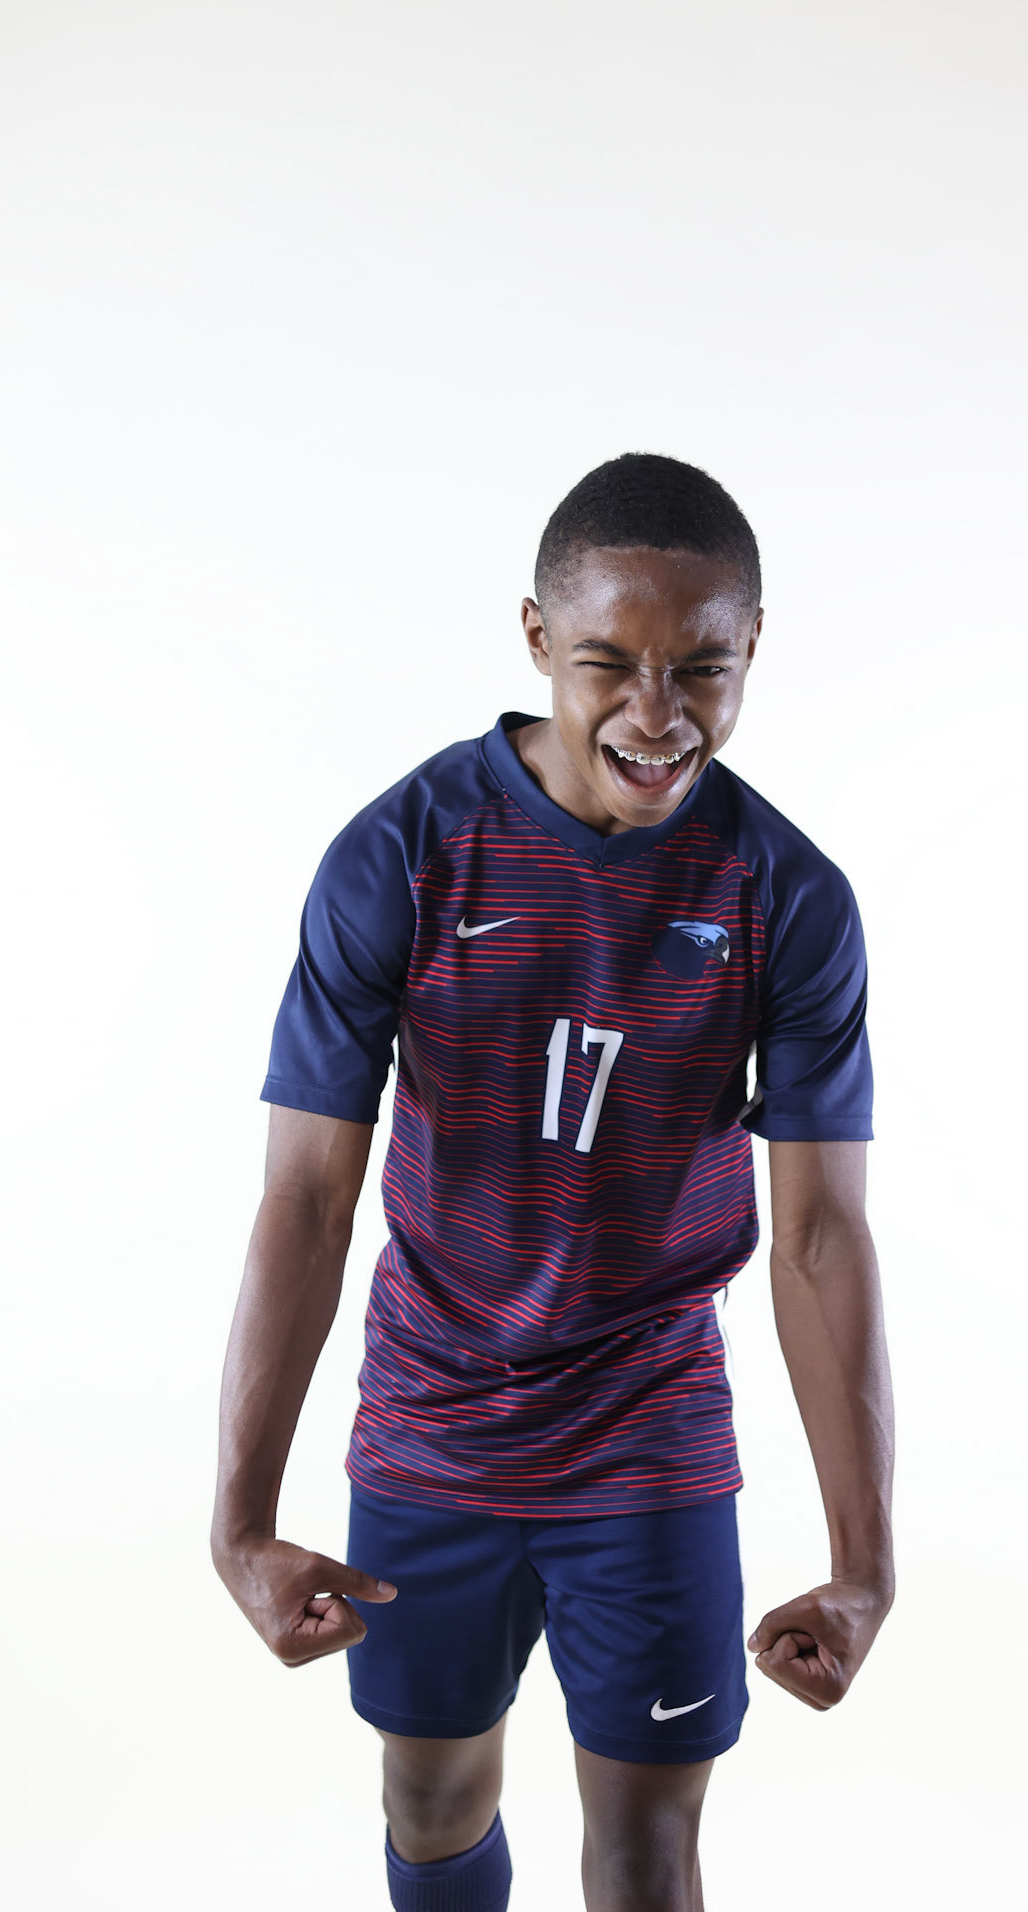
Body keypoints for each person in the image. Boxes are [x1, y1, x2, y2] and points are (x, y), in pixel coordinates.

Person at [211, 453, 896, 1912]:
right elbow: (306, 1203)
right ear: (535, 641)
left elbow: (822, 1239)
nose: (657, 712)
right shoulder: (398, 857)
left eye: (701, 666)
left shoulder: (788, 899)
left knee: (648, 1854)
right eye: (610, 664)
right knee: (431, 1798)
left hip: (645, 1439)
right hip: (429, 1429)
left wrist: (861, 1567)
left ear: (752, 646)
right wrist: (239, 1522)